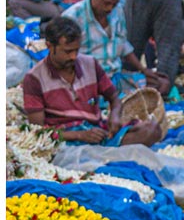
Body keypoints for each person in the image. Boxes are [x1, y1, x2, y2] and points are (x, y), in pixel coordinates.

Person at [19, 16, 115, 144]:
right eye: (68, 51)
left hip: (97, 130)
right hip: (66, 138)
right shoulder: (34, 78)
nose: (74, 56)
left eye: (76, 50)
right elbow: (38, 131)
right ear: (50, 46)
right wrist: (79, 135)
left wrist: (115, 115)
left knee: (148, 129)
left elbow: (114, 98)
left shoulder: (90, 64)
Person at [62, 0, 131, 80]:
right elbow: (64, 58)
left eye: (114, 4)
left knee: (161, 84)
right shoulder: (72, 17)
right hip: (86, 79)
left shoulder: (117, 11)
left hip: (114, 75)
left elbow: (124, 45)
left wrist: (144, 70)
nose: (109, 9)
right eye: (106, 3)